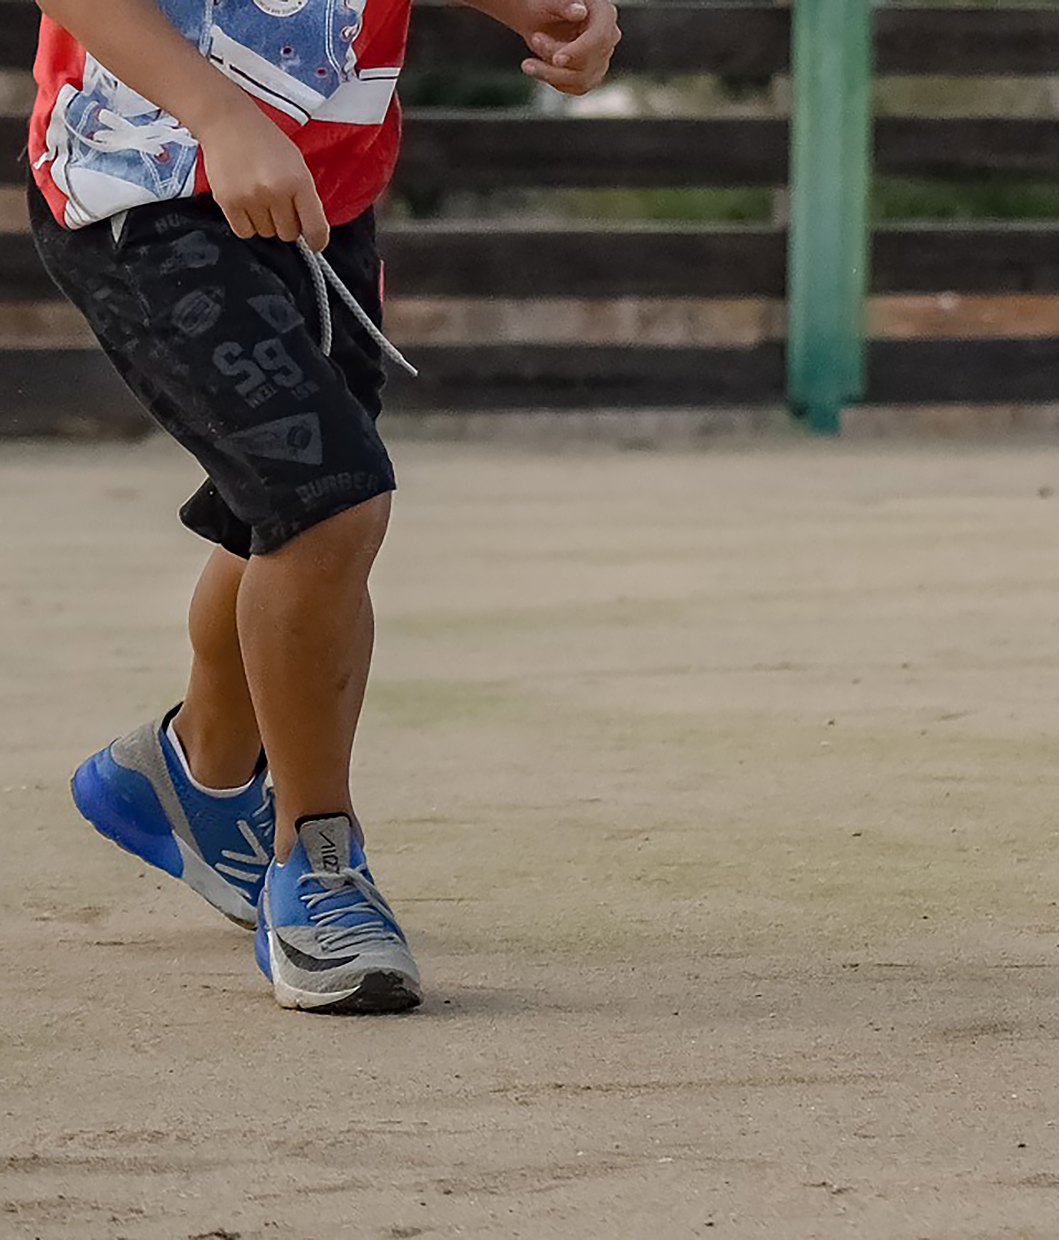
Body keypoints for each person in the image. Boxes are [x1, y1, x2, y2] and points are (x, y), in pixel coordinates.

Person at [32, 0, 621, 1012]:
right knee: (326, 499)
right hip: (146, 174)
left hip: (319, 187)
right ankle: (317, 864)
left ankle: (191, 771)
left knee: (293, 511)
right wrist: (218, 116)